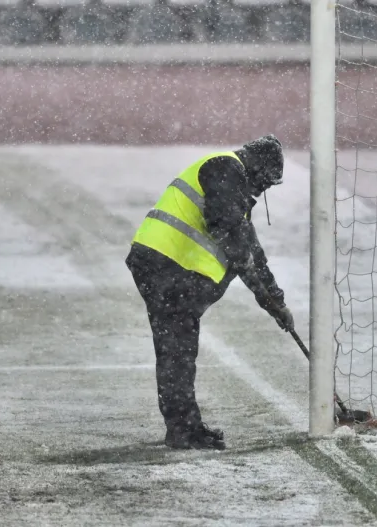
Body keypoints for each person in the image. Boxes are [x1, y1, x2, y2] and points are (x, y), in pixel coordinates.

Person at [125, 135, 295, 450]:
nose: (263, 191)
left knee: (175, 351)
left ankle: (183, 427)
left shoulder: (232, 188)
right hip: (168, 269)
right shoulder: (225, 169)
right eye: (265, 183)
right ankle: (184, 430)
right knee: (178, 352)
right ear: (256, 169)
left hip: (164, 270)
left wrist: (275, 303)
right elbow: (227, 230)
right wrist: (247, 265)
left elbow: (251, 253)